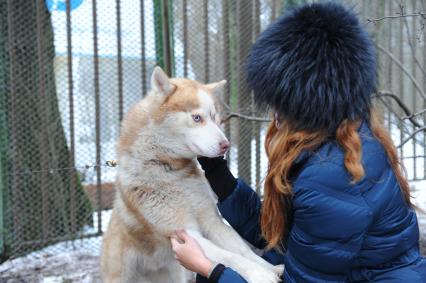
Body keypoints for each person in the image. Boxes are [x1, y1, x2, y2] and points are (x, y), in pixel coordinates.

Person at [170, 2, 426, 282]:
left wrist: (208, 268)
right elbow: (280, 236)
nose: (275, 117)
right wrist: (216, 170)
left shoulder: (331, 176)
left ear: (305, 106)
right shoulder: (346, 139)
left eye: (280, 105)